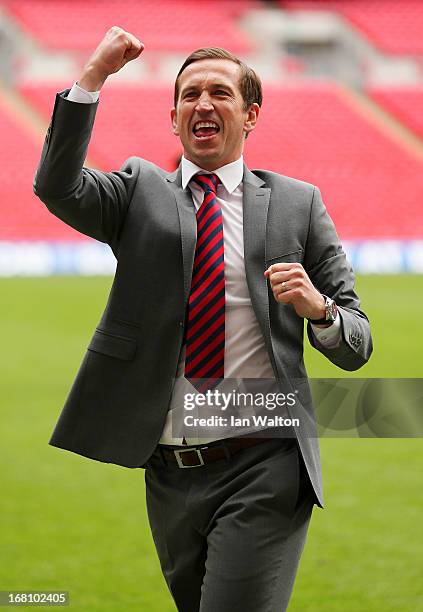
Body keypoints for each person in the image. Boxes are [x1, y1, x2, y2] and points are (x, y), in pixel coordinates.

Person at [34, 27, 372, 612]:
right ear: (174, 118)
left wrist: (319, 311)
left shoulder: (298, 203)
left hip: (266, 461)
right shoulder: (138, 191)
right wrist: (92, 77)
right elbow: (56, 185)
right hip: (170, 471)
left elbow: (357, 341)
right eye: (190, 95)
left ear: (250, 115)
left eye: (219, 93)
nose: (203, 104)